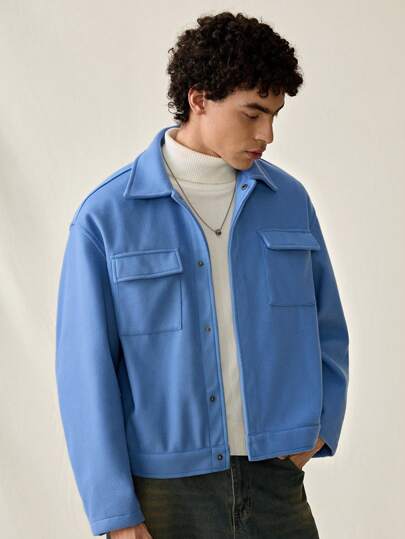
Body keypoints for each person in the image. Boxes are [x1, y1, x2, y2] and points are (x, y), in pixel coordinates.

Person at [55, 11, 349, 539]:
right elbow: (85, 371)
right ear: (198, 99)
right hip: (166, 494)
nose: (267, 134)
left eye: (275, 115)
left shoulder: (290, 202)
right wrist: (115, 512)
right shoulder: (107, 217)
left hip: (276, 482)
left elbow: (327, 328)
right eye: (252, 113)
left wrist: (318, 432)